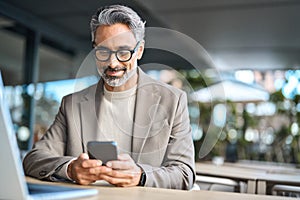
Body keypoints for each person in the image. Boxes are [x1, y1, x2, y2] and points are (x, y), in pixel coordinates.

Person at [23, 4, 195, 190]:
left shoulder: (173, 101)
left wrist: (141, 176)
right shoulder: (72, 104)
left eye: (123, 52)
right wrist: (71, 169)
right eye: (103, 52)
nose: (112, 63)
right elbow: (34, 159)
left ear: (139, 50)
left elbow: (184, 173)